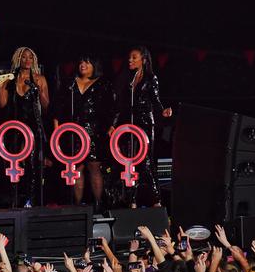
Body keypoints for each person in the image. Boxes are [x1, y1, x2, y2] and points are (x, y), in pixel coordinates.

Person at [112, 45, 172, 207]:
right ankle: (132, 201)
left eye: (134, 57)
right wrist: (114, 125)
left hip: (145, 124)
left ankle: (157, 200)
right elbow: (121, 105)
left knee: (145, 161)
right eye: (129, 57)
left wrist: (163, 111)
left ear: (143, 60)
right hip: (129, 124)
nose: (130, 60)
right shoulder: (128, 79)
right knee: (129, 161)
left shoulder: (151, 78)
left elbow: (156, 99)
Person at [55, 55, 114, 210]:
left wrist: (109, 127)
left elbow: (111, 108)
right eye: (80, 61)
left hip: (94, 132)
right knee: (77, 168)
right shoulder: (70, 84)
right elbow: (59, 108)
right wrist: (57, 130)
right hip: (73, 132)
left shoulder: (103, 84)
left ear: (94, 64)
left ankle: (98, 205)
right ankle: (77, 205)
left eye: (87, 61)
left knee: (94, 167)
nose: (83, 64)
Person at [0, 47, 50, 207]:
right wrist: (0, 88)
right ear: (18, 59)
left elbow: (46, 106)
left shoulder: (39, 79)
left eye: (30, 58)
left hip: (32, 127)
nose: (27, 60)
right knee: (13, 163)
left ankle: (30, 200)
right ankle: (14, 198)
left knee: (32, 163)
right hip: (13, 126)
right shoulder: (8, 80)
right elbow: (2, 104)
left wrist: (41, 92)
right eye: (24, 57)